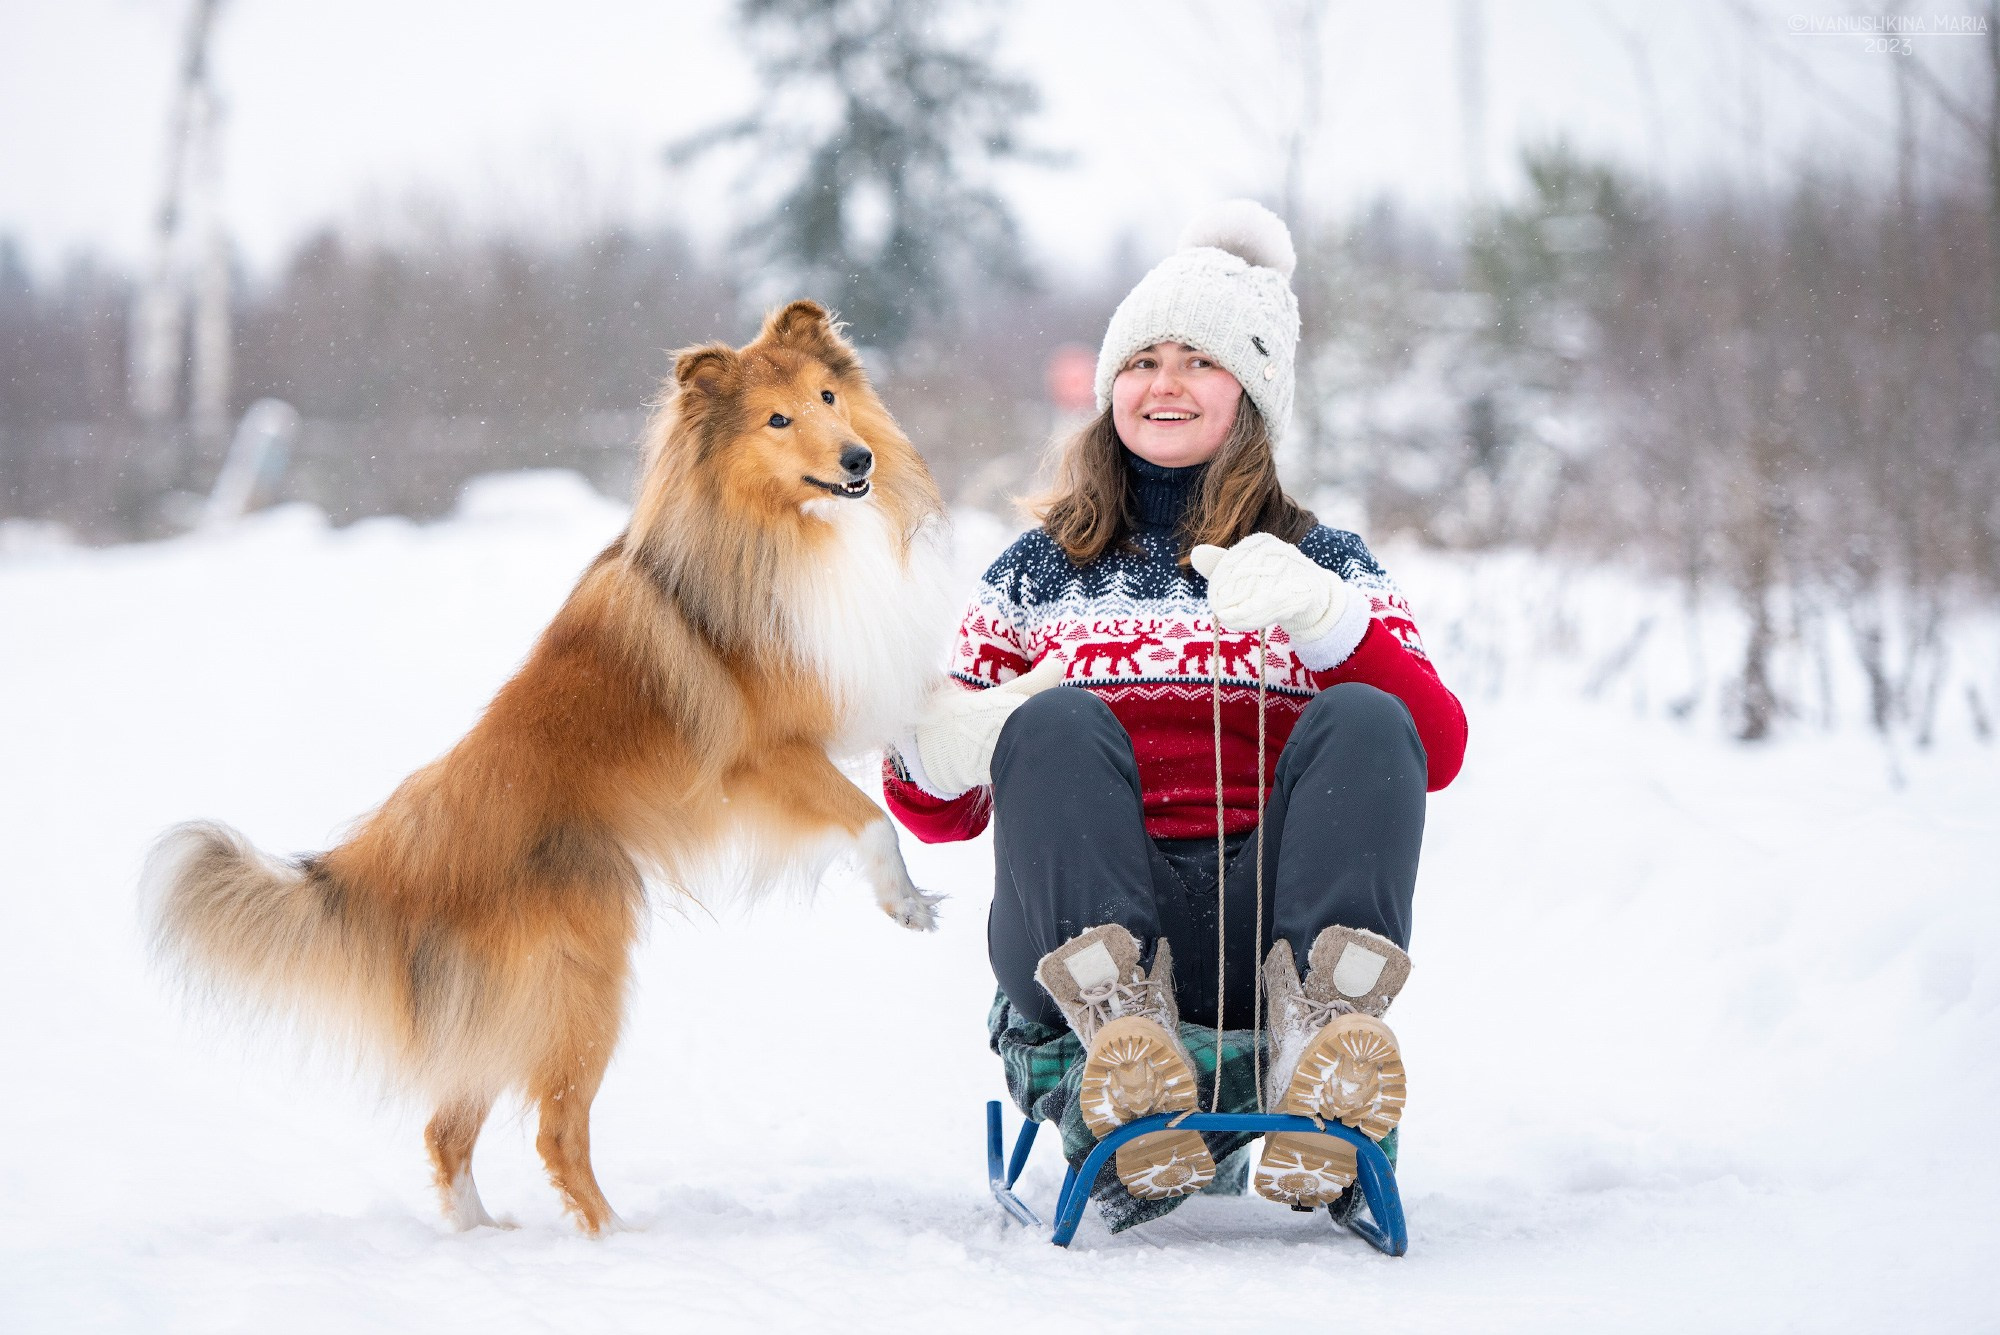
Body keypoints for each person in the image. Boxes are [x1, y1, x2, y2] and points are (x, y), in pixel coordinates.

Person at [882, 201, 1468, 1223]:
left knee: (1369, 719)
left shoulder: (1324, 562)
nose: (1163, 383)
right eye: (1142, 358)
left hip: (1269, 943)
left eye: (1197, 359)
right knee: (1055, 724)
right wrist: (945, 742)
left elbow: (1437, 751)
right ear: (1109, 386)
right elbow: (941, 818)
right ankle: (1123, 1050)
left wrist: (1326, 623)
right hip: (1077, 948)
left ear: (1250, 392)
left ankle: (1315, 1050)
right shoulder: (1032, 577)